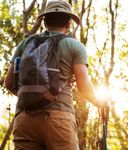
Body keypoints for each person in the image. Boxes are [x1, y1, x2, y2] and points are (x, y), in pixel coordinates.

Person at [4, 0, 106, 149]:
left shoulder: (25, 44)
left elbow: (8, 83)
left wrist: (32, 98)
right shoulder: (74, 46)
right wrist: (101, 103)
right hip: (59, 118)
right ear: (68, 23)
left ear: (44, 21)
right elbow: (83, 87)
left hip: (25, 119)